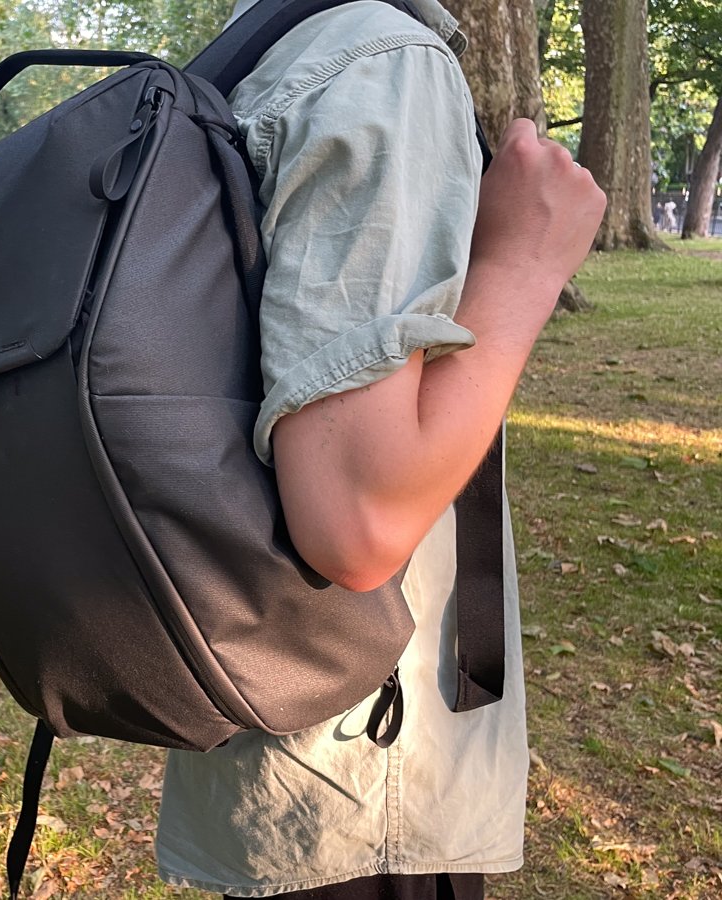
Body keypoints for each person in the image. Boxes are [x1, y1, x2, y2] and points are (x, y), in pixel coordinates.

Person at [155, 1, 606, 898]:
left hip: (270, 728)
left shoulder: (274, 38)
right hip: (365, 780)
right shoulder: (383, 61)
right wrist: (524, 266)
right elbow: (356, 520)